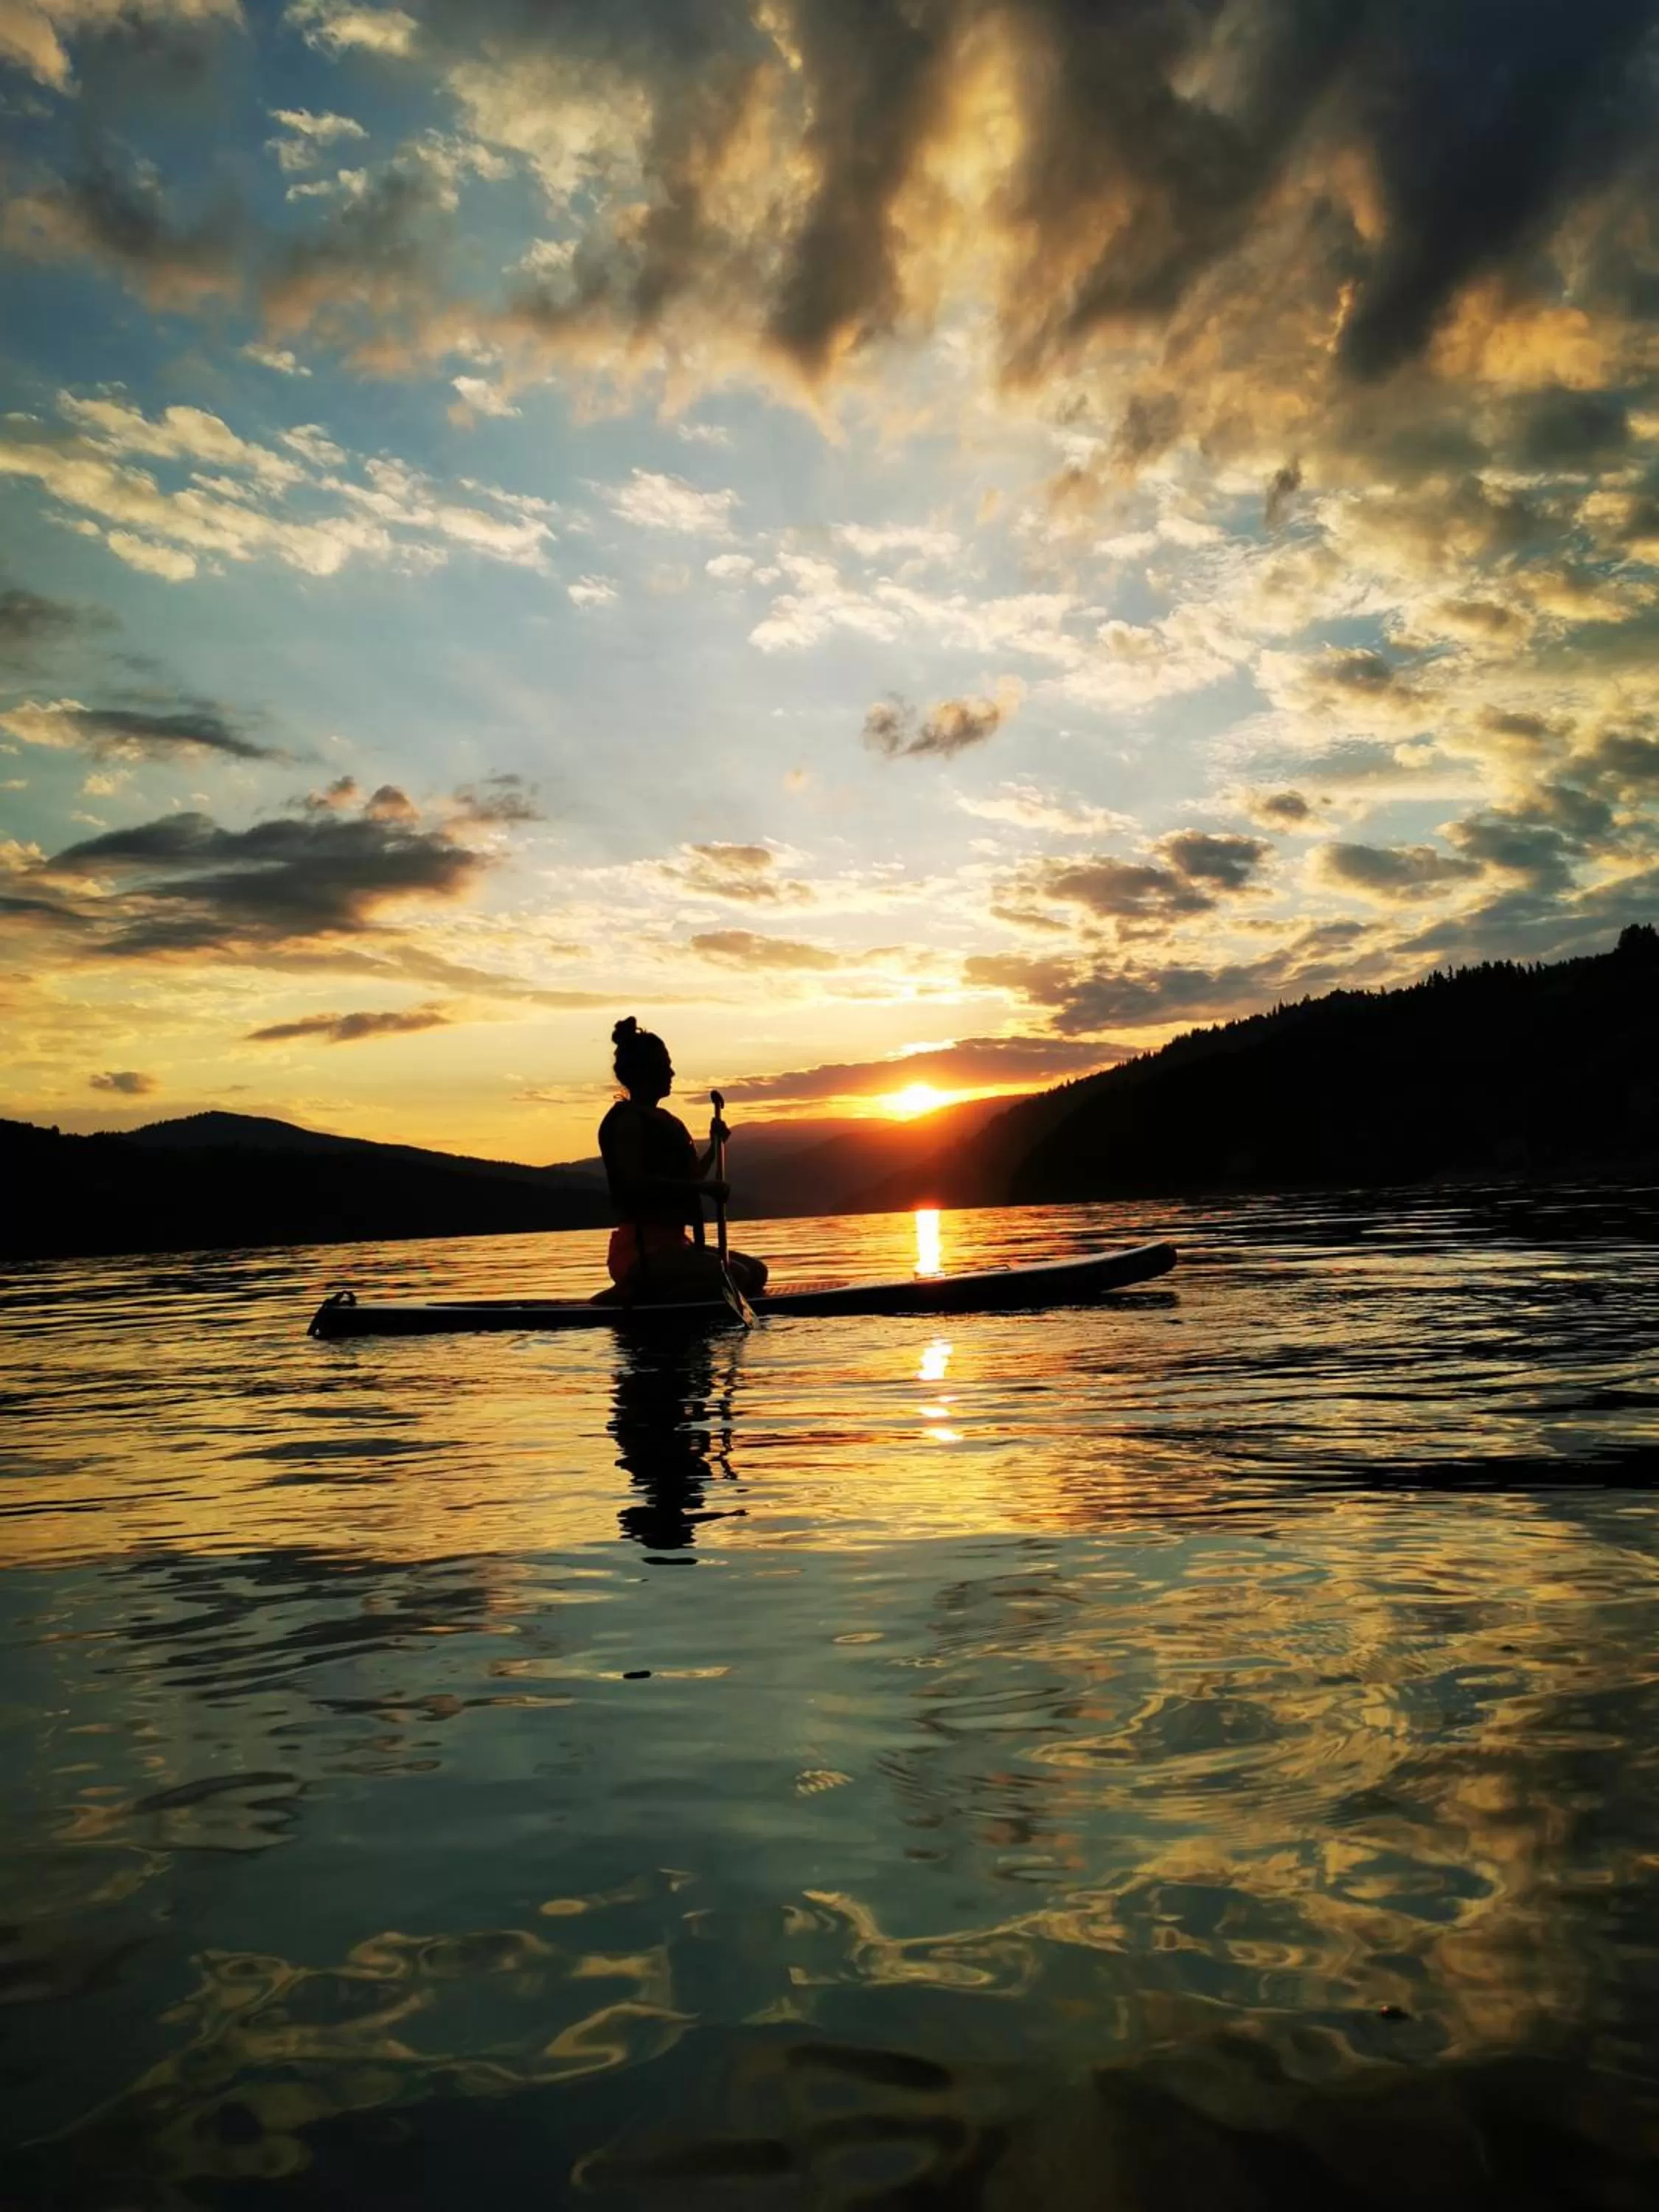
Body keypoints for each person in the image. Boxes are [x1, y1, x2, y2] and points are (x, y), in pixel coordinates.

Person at [597, 1018, 768, 1302]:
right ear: (643, 1072)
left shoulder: (665, 1120)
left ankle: (664, 1291)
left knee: (756, 1273)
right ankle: (631, 1294)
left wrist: (715, 1147)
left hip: (676, 1244)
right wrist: (702, 1190)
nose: (672, 1072)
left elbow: (691, 1178)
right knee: (734, 1277)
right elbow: (634, 1182)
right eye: (664, 1066)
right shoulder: (626, 1121)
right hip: (641, 1251)